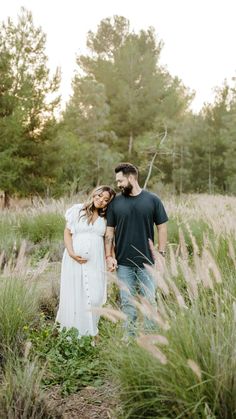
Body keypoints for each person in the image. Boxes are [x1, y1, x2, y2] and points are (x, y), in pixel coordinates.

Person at [105, 163, 168, 334]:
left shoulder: (153, 200)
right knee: (127, 303)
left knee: (150, 302)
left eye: (120, 181)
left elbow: (162, 227)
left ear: (131, 177)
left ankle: (152, 339)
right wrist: (109, 256)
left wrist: (161, 253)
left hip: (148, 262)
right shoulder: (115, 203)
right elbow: (109, 232)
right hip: (123, 263)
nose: (118, 185)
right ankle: (129, 338)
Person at [56, 185, 116, 338]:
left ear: (109, 202)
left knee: (95, 297)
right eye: (99, 196)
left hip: (96, 261)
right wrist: (71, 252)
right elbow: (67, 232)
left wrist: (110, 257)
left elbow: (108, 239)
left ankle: (91, 331)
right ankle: (73, 335)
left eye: (105, 199)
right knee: (75, 295)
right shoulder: (77, 210)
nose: (101, 200)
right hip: (73, 261)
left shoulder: (106, 217)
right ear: (93, 194)